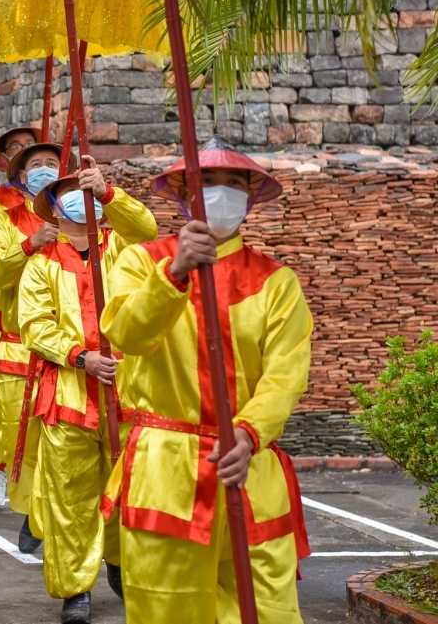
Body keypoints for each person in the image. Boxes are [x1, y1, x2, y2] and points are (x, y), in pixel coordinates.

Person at [99, 137, 313, 624]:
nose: (221, 193)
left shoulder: (276, 281)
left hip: (249, 469)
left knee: (266, 612)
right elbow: (127, 334)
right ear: (183, 194)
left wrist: (249, 432)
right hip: (166, 470)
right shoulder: (140, 262)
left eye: (234, 184)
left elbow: (286, 375)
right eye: (207, 182)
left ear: (250, 197)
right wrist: (172, 275)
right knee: (165, 611)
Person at [18, 153, 158, 622]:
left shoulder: (120, 247)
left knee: (130, 487)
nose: (77, 200)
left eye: (84, 191)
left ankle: (122, 562)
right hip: (68, 397)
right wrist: (81, 356)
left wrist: (109, 192)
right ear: (54, 208)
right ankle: (75, 588)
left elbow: (149, 231)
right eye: (68, 194)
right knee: (70, 498)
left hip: (127, 394)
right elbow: (35, 326)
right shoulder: (40, 265)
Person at [0, 140, 70, 551]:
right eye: (32, 160)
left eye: (52, 161)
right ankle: (30, 507)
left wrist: (106, 197)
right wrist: (31, 244)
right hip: (15, 337)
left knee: (64, 432)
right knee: (18, 429)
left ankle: (49, 514)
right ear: (19, 172)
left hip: (73, 346)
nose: (44, 166)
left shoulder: (78, 207)